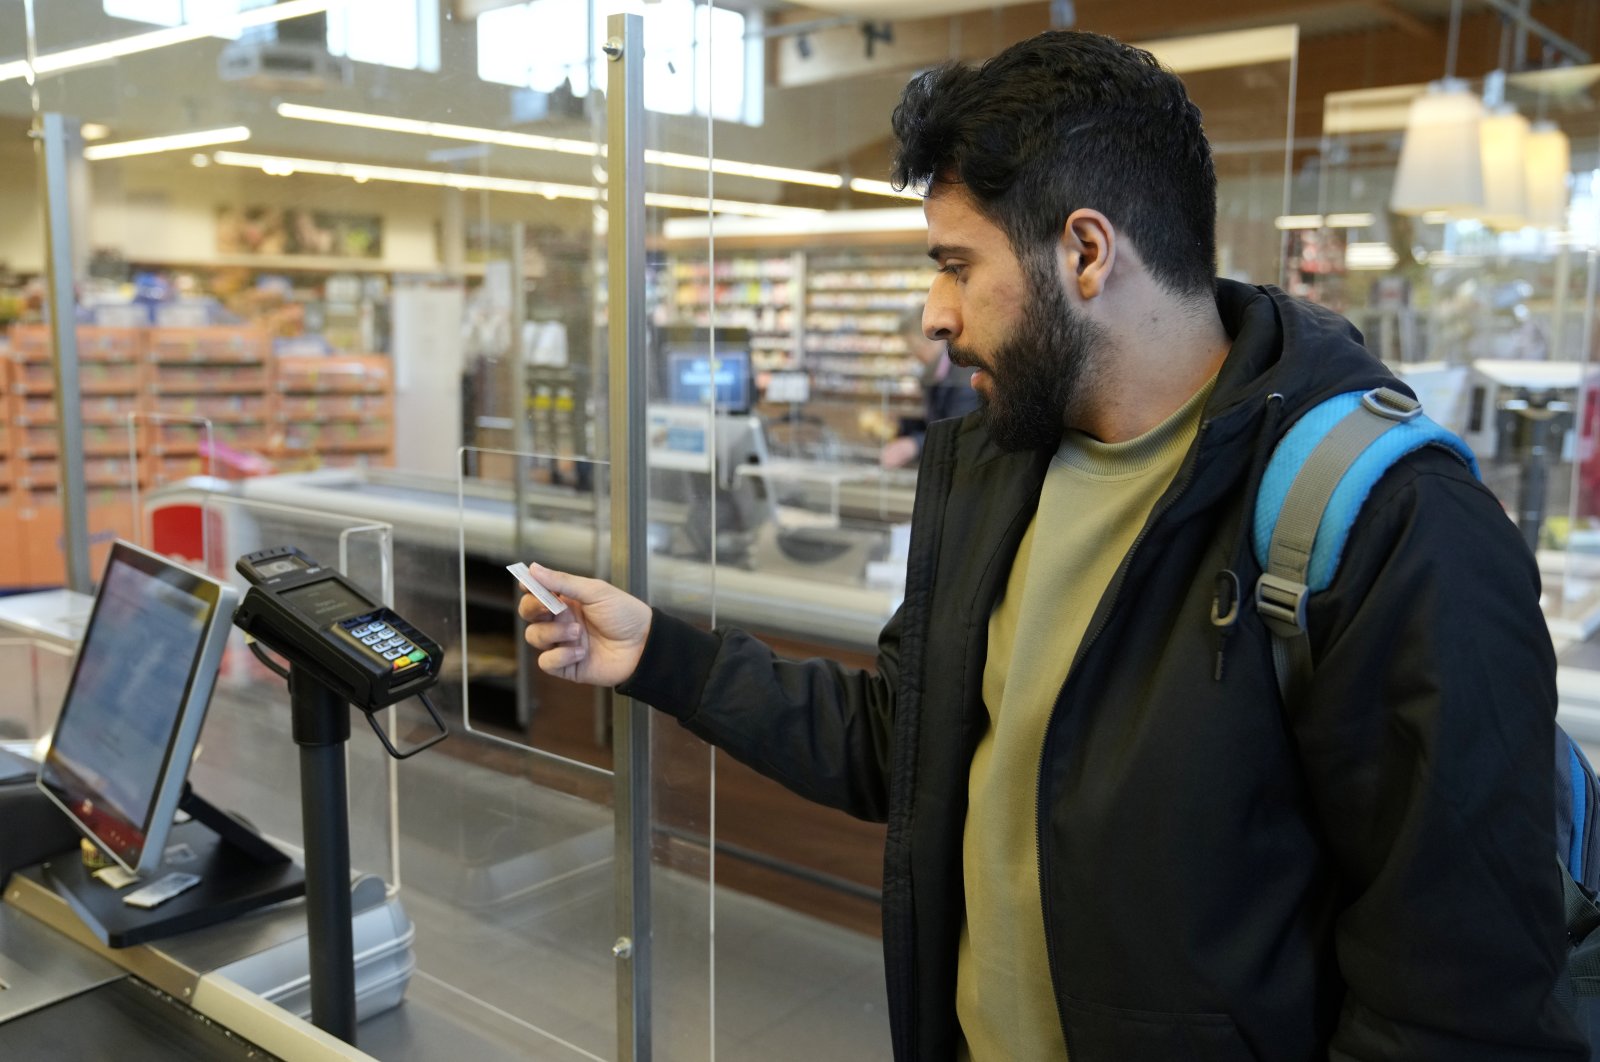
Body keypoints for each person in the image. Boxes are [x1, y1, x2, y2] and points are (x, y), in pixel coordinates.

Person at [518, 30, 1584, 1062]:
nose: (934, 314)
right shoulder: (1000, 467)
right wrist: (660, 654)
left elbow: (1459, 1003)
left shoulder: (1397, 524)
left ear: (1084, 251)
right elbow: (907, 744)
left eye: (955, 264)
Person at [881, 307, 980, 468]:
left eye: (915, 347)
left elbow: (960, 433)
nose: (914, 355)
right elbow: (934, 422)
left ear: (932, 340)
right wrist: (902, 423)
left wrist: (915, 445)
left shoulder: (963, 373)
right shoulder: (934, 374)